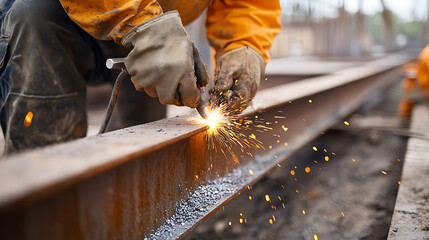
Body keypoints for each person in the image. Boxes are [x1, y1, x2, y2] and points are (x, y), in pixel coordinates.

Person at [0, 0, 281, 154]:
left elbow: (248, 5)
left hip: (154, 25)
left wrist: (245, 44)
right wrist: (145, 28)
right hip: (56, 20)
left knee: (141, 149)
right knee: (34, 12)